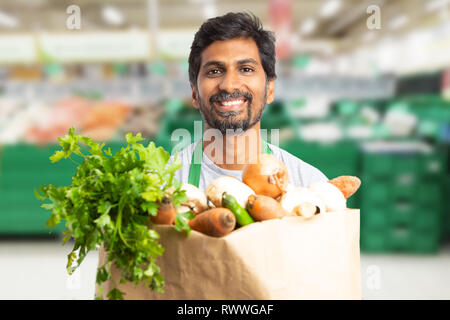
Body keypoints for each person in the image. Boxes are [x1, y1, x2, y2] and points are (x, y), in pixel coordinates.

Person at [172, 12, 327, 192]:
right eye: (214, 71)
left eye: (246, 69)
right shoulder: (162, 184)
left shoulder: (309, 186)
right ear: (194, 93)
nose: (229, 86)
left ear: (269, 89)